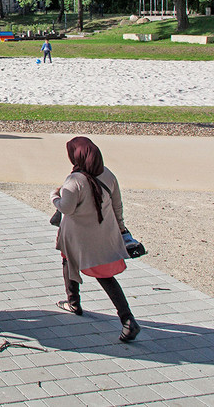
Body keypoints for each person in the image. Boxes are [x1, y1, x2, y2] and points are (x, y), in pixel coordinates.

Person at [51, 136, 140, 343]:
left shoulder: (75, 180)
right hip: (102, 235)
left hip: (77, 235)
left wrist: (53, 196)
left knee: (68, 260)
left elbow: (66, 207)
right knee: (104, 275)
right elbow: (117, 206)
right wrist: (120, 229)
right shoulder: (108, 174)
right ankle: (126, 319)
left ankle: (74, 302)